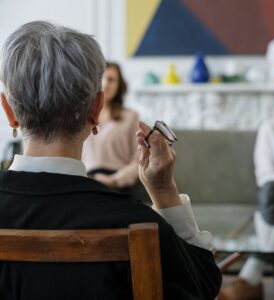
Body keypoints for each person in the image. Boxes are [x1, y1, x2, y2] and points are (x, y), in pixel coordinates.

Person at [0, 21, 221, 300]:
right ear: (96, 108)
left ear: (9, 111)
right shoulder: (137, 223)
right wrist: (165, 193)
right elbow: (203, 287)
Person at [219, 61, 274, 300]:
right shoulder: (270, 128)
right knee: (271, 192)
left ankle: (251, 276)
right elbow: (264, 175)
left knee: (269, 217)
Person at [82, 62, 139, 194]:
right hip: (86, 182)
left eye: (111, 79)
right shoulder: (81, 116)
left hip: (118, 184)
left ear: (119, 86)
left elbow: (138, 161)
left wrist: (115, 180)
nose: (106, 84)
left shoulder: (131, 117)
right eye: (101, 77)